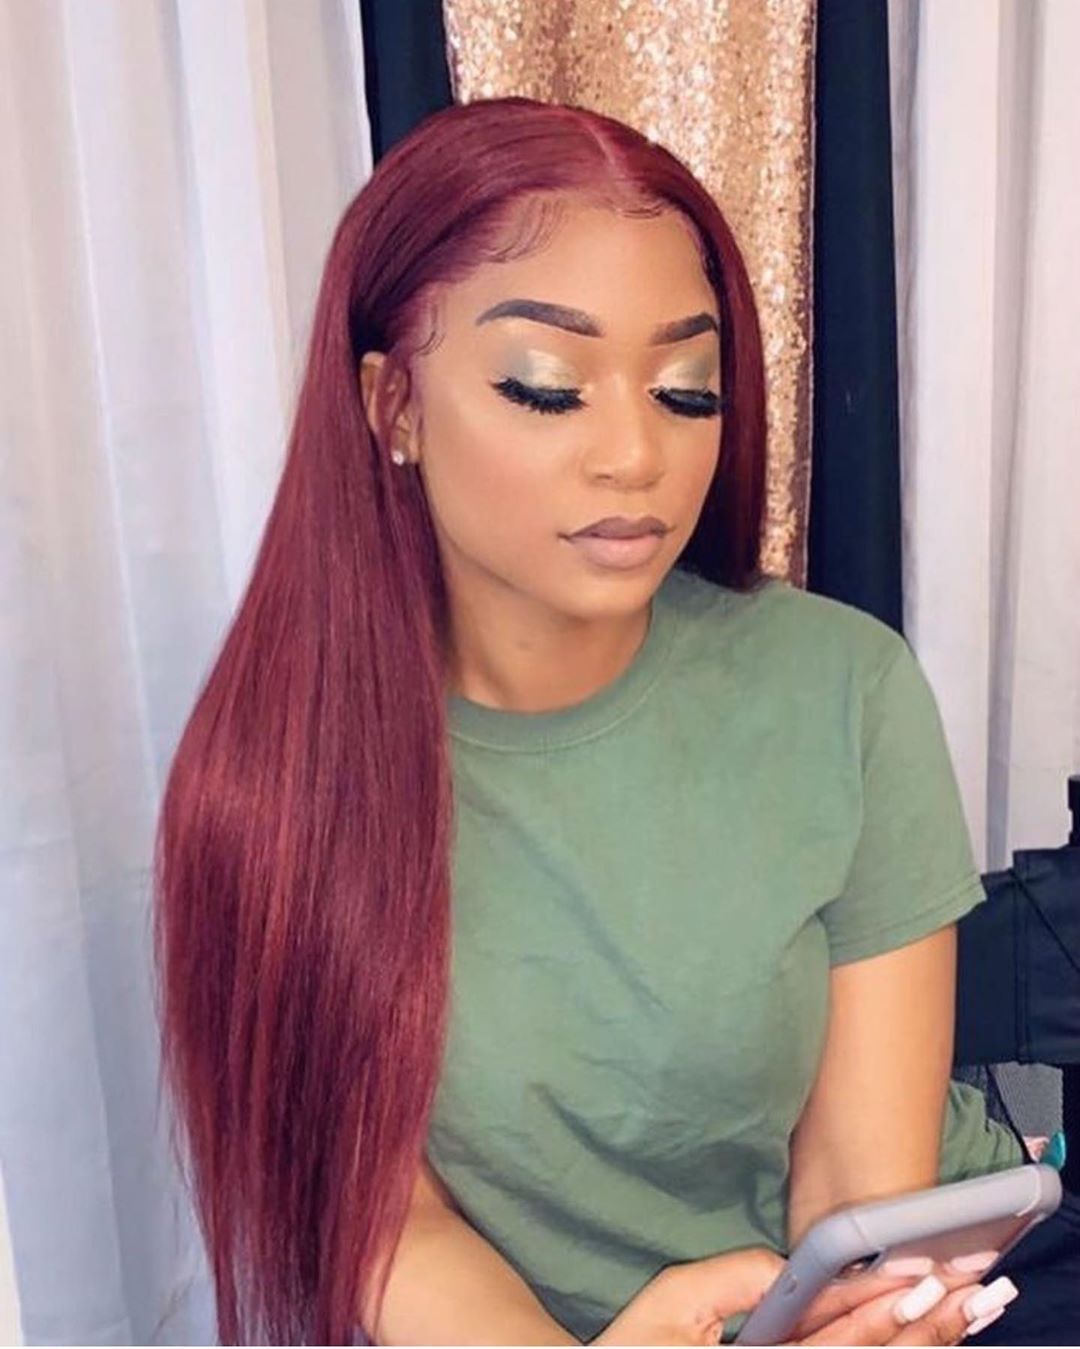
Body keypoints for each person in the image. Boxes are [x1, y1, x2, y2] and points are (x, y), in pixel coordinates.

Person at [152, 97, 1074, 1347]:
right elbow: (377, 1218)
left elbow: (860, 1194)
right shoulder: (277, 780)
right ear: (393, 407)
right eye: (547, 389)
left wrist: (837, 1319)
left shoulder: (842, 685)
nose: (636, 454)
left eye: (687, 391)